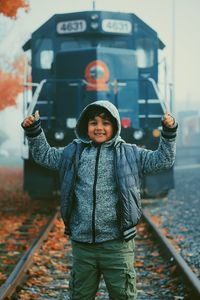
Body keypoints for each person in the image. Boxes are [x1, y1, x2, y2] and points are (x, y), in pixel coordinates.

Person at [22, 100, 178, 300]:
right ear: (85, 126)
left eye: (105, 123)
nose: (99, 128)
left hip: (117, 245)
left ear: (115, 126)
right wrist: (34, 132)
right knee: (80, 295)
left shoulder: (130, 153)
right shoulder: (74, 151)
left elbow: (162, 160)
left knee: (123, 295)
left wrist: (168, 131)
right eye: (93, 123)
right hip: (83, 245)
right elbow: (45, 156)